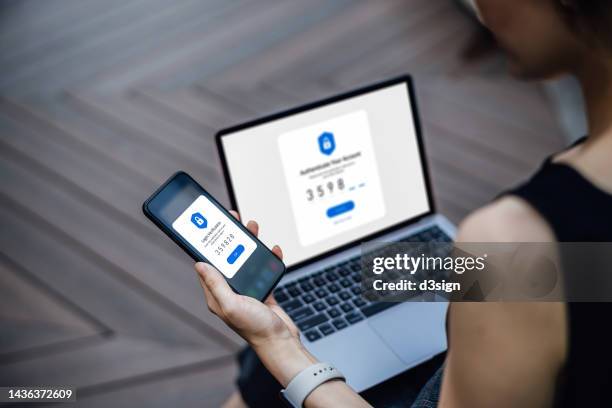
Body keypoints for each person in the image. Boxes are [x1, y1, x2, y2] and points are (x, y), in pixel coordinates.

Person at [197, 0, 612, 406]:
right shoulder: (571, 208)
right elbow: (583, 274)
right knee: (381, 272)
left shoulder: (514, 233)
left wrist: (277, 342)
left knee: (281, 350)